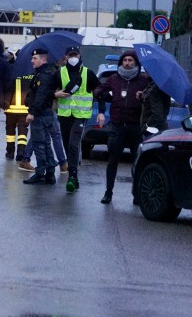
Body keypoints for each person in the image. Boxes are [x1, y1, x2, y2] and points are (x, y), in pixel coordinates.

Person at [93, 50, 149, 204]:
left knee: (137, 161)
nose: (127, 63)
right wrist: (102, 94)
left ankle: (137, 194)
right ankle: (108, 192)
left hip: (135, 126)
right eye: (125, 60)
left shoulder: (142, 81)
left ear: (136, 63)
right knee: (112, 160)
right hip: (117, 125)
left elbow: (150, 97)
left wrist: (143, 96)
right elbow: (99, 90)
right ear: (121, 62)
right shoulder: (114, 78)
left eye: (131, 60)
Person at [54, 44, 100, 193]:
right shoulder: (59, 73)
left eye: (76, 55)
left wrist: (101, 112)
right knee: (67, 145)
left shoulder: (88, 73)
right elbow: (48, 89)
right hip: (65, 115)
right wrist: (55, 94)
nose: (73, 58)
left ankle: (72, 176)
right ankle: (74, 174)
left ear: (80, 56)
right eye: (71, 55)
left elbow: (99, 92)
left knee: (74, 144)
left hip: (81, 116)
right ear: (66, 57)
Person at [22, 47, 59, 185]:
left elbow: (40, 95)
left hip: (40, 114)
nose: (32, 61)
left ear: (43, 59)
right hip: (45, 113)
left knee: (39, 144)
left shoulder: (43, 75)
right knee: (46, 143)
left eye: (35, 58)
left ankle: (40, 173)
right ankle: (49, 173)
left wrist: (32, 113)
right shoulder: (44, 73)